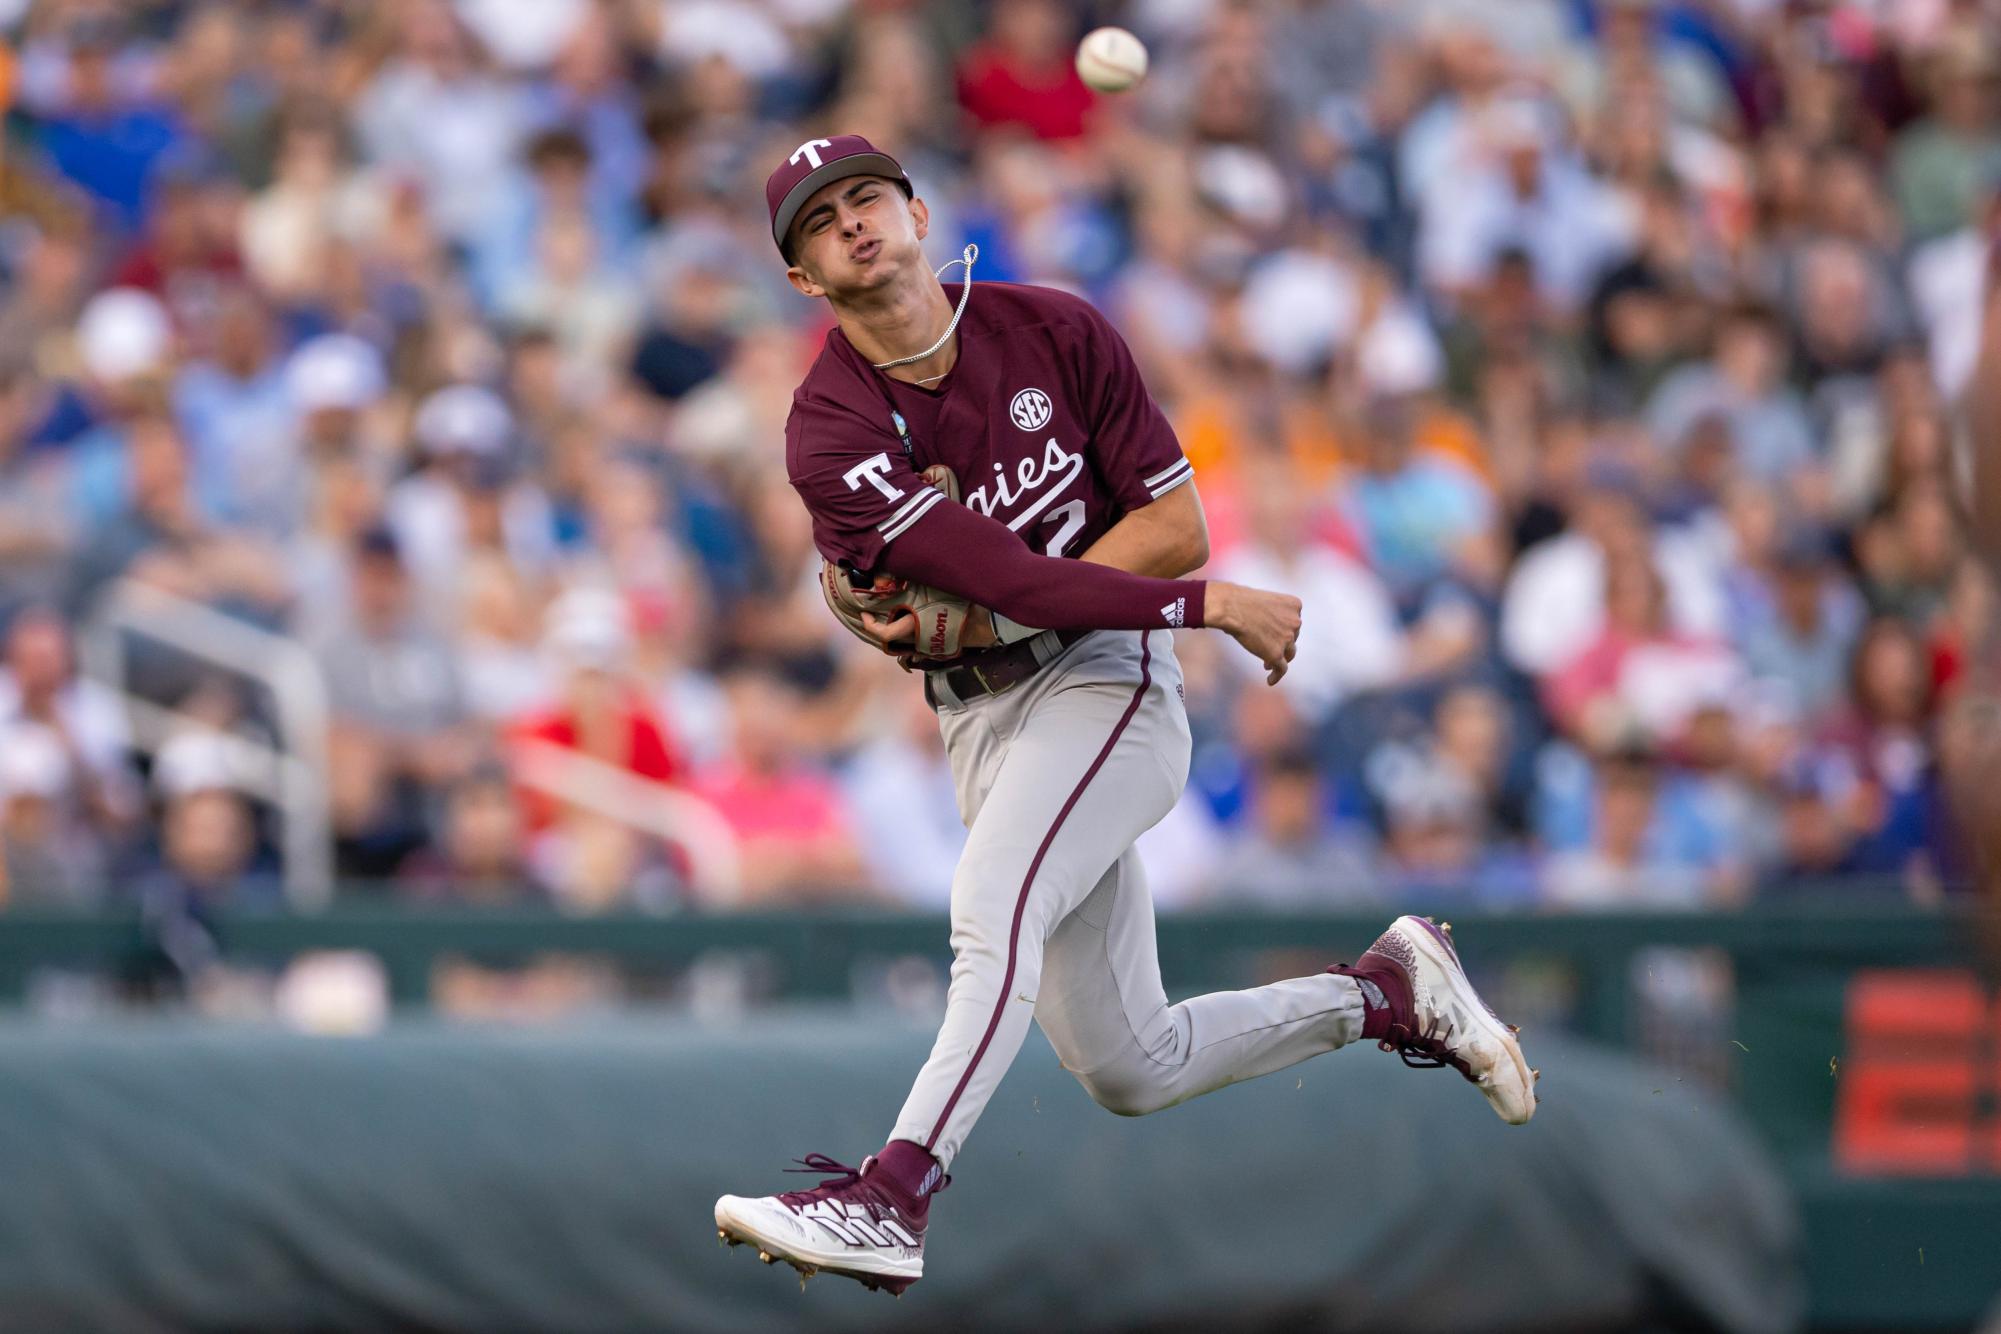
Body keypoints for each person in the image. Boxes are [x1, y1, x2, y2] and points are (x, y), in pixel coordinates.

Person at [713, 135, 1536, 1296]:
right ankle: (1383, 992)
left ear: (914, 208)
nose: (851, 223)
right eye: (819, 222)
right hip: (981, 722)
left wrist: (1147, 598)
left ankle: (892, 1192)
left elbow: (1172, 528)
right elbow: (1009, 583)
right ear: (803, 277)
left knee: (988, 910)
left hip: (1108, 680)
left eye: (867, 198)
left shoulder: (1054, 327)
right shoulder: (829, 426)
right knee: (1128, 1062)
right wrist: (1185, 602)